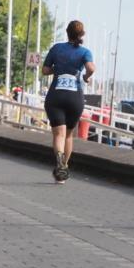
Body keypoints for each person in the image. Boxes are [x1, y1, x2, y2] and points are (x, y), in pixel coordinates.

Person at [42, 20, 95, 183]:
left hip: (56, 95)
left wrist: (56, 69)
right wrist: (85, 77)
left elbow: (45, 70)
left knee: (58, 134)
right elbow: (91, 68)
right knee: (69, 136)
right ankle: (63, 167)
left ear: (67, 32)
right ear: (82, 34)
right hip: (74, 97)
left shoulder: (56, 48)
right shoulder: (85, 52)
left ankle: (58, 159)